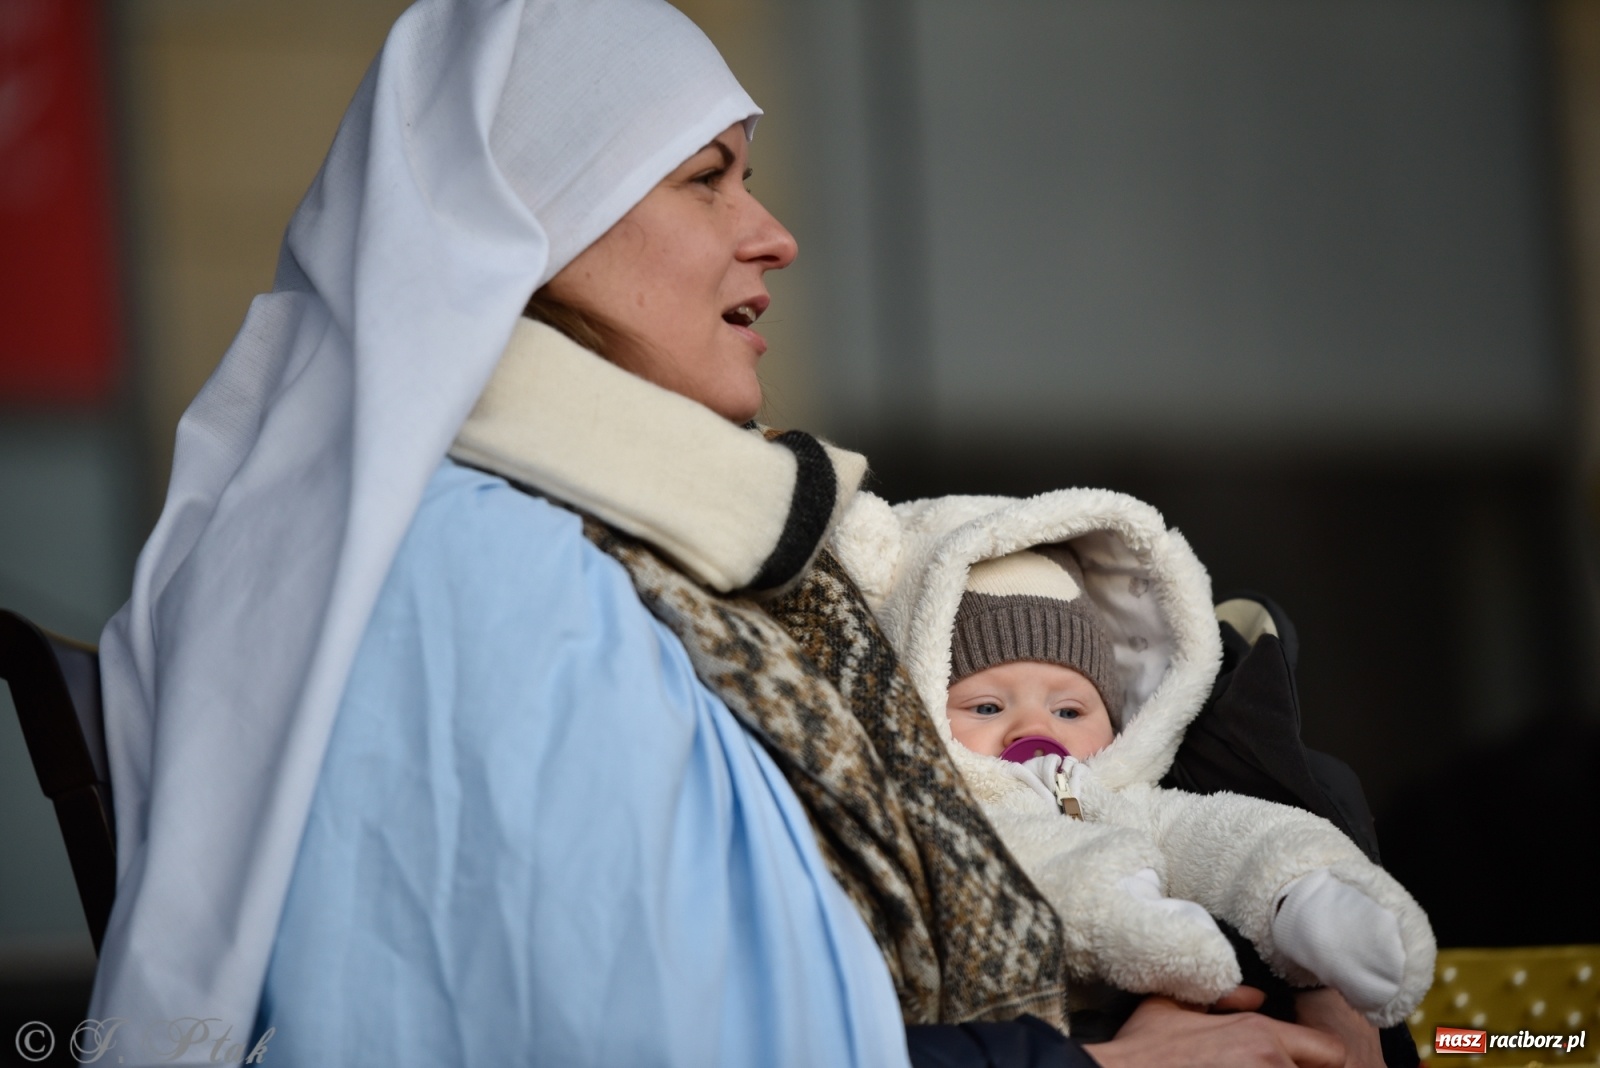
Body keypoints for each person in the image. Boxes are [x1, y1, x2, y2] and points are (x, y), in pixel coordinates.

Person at [89, 1, 1361, 1065]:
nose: (774, 234)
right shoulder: (479, 571)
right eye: (707, 178)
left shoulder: (617, 544)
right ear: (530, 224)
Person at [830, 487, 1437, 1063]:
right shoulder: (941, 819)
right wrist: (1137, 914)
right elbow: (1026, 865)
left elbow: (1222, 834)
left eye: (1070, 709)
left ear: (1117, 720)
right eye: (987, 707)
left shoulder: (1127, 798)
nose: (1030, 728)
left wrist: (1303, 884)